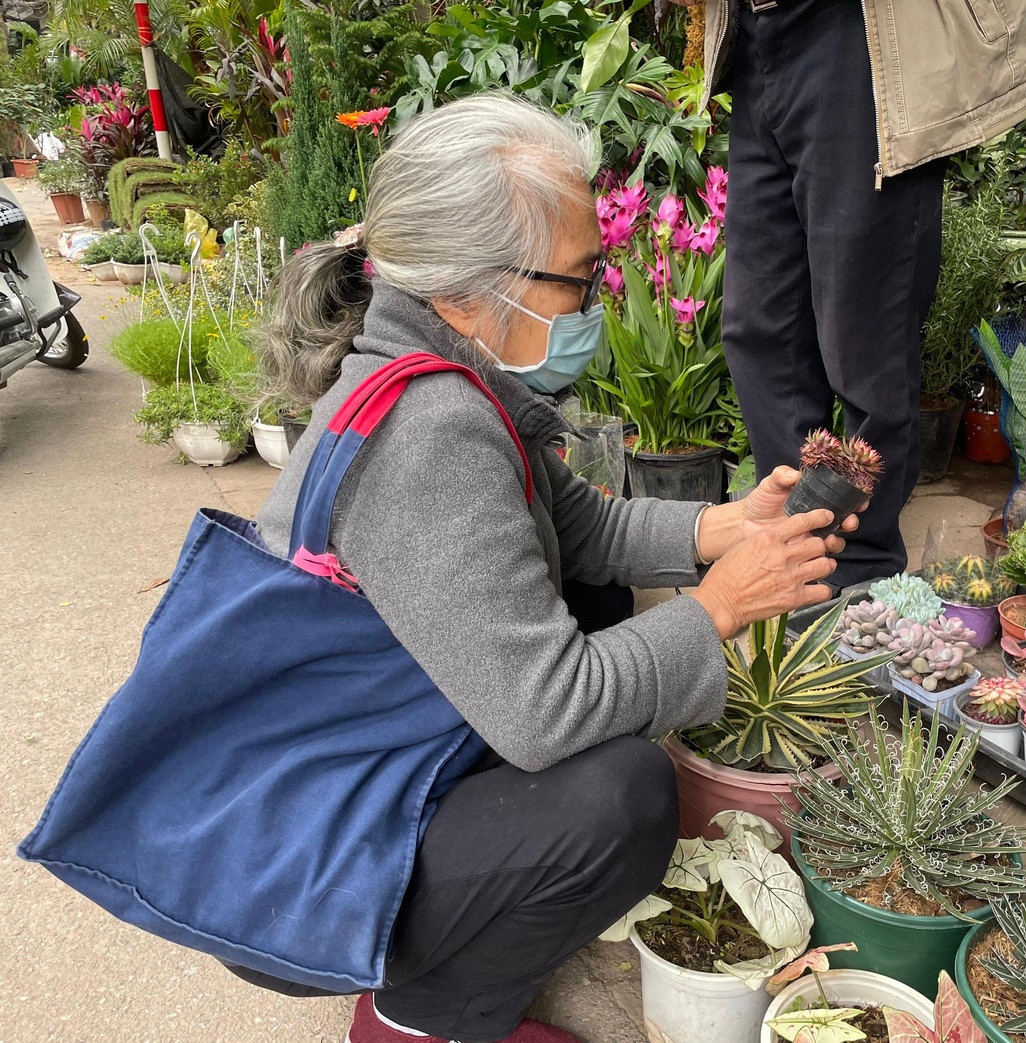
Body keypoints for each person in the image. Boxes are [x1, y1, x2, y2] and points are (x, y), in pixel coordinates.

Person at [245, 94, 853, 1043]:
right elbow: (545, 712)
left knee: (597, 598)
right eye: (580, 277)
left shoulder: (450, 373)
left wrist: (724, 528)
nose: (596, 299)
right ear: (467, 289)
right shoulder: (430, 433)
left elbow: (583, 527)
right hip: (307, 860)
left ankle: (447, 950)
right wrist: (720, 608)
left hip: (359, 769)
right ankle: (419, 1018)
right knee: (624, 798)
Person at [691, 0, 1026, 586]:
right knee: (761, 327)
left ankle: (860, 571)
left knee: (864, 339)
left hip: (858, 37)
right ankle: (794, 549)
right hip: (757, 32)